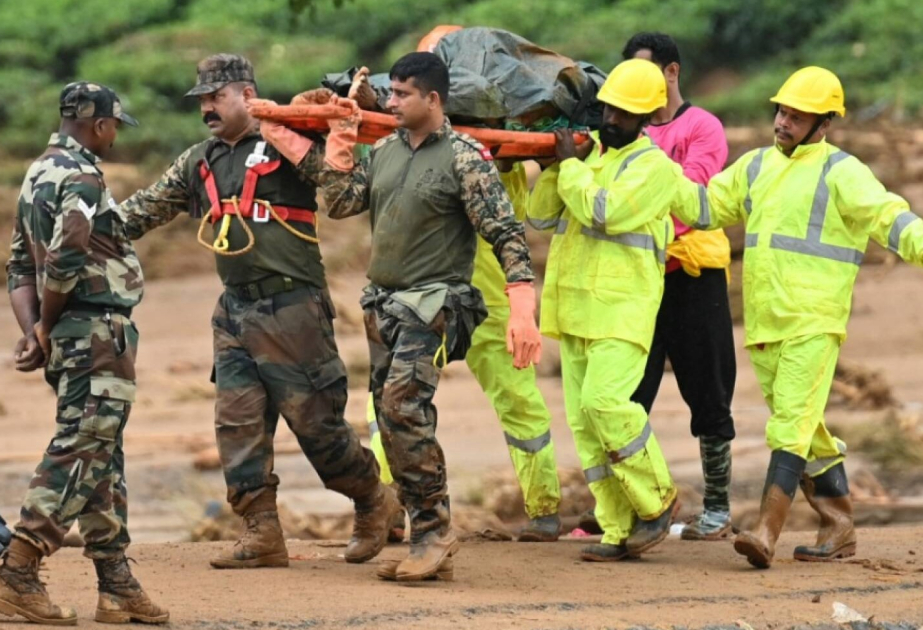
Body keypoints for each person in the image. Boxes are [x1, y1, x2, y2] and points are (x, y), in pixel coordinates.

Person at [118, 54, 395, 570]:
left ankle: (374, 501)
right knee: (237, 425)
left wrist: (293, 131)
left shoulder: (286, 139)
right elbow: (142, 211)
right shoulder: (198, 160)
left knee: (318, 428)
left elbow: (339, 190)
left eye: (215, 98)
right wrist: (84, 229)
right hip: (234, 310)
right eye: (201, 100)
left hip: (293, 306)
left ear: (247, 95)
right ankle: (262, 531)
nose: (207, 108)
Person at [298, 51, 542, 581]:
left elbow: (505, 232)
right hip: (383, 305)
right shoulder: (385, 150)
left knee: (403, 407)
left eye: (401, 93)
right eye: (390, 92)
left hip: (435, 304)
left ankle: (433, 533)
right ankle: (425, 541)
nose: (390, 102)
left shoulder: (465, 158)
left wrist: (522, 305)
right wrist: (339, 141)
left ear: (432, 99)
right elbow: (342, 203)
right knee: (391, 419)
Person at [673, 66, 923, 568]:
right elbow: (703, 208)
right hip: (766, 326)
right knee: (805, 426)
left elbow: (891, 219)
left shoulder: (842, 172)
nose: (783, 122)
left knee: (789, 426)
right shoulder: (755, 166)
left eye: (796, 116)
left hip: (814, 321)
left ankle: (766, 531)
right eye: (781, 112)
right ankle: (839, 525)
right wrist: (655, 175)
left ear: (824, 124)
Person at [349, 29, 563, 543]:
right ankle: (392, 509)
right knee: (393, 403)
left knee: (503, 401)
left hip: (478, 300)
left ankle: (542, 508)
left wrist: (522, 307)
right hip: (425, 299)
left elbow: (510, 230)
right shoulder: (417, 147)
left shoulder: (481, 156)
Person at [1, 82, 168, 625]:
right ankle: (18, 569)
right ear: (99, 124)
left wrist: (34, 332)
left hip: (70, 337)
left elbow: (19, 267)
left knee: (102, 455)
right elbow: (66, 255)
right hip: (93, 332)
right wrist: (46, 325)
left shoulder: (37, 174)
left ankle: (115, 583)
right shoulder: (82, 177)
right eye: (114, 126)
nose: (115, 136)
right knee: (81, 448)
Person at [527, 59, 684, 562]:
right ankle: (616, 529)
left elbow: (603, 212)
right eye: (609, 109)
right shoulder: (588, 153)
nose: (612, 120)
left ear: (648, 118)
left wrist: (571, 167)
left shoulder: (654, 168)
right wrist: (555, 169)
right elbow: (538, 216)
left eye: (624, 114)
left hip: (621, 309)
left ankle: (657, 500)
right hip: (574, 309)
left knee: (605, 405)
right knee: (584, 424)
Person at [582, 32, 735, 541]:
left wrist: (631, 206)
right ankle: (627, 502)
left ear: (672, 72)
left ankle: (717, 507)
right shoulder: (618, 132)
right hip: (635, 281)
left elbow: (688, 196)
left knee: (709, 390)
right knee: (627, 394)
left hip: (692, 276)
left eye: (645, 72)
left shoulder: (701, 127)